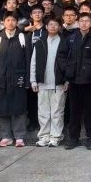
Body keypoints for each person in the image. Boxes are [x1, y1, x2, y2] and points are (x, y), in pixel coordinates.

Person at [0, 12, 29, 147]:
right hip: (1, 79)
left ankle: (19, 137)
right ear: (3, 22)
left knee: (19, 109)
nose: (10, 22)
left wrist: (27, 79)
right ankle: (6, 137)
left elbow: (28, 60)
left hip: (19, 78)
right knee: (3, 109)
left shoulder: (23, 37)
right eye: (8, 20)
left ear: (17, 22)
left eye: (13, 20)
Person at [64, 13, 91, 151]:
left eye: (87, 21)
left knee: (90, 112)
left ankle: (90, 138)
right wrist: (67, 77)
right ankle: (73, 138)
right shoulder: (71, 38)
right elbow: (64, 57)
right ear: (78, 22)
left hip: (90, 82)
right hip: (74, 81)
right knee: (74, 111)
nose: (84, 23)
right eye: (82, 21)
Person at [29, 16, 69, 147]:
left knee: (57, 112)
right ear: (46, 27)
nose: (53, 26)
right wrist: (33, 80)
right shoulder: (40, 42)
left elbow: (69, 62)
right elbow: (33, 62)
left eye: (55, 25)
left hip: (59, 82)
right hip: (42, 82)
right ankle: (44, 136)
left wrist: (67, 80)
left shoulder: (64, 42)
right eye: (50, 24)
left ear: (59, 27)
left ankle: (56, 136)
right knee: (43, 112)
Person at [23, 4, 45, 133]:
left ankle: (43, 123)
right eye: (35, 12)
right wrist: (25, 29)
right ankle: (33, 121)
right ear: (31, 15)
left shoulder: (47, 29)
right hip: (28, 65)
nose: (37, 14)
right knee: (31, 96)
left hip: (43, 66)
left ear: (43, 14)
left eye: (39, 12)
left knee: (43, 97)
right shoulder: (26, 30)